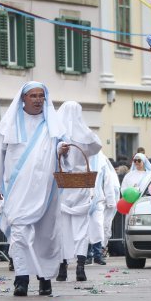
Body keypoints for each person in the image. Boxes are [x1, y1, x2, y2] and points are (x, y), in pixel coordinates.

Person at [0, 82, 68, 297]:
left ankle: (44, 279)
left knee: (45, 235)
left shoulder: (54, 124)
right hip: (18, 190)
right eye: (33, 95)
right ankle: (21, 278)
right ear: (23, 98)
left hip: (46, 190)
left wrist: (62, 150)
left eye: (41, 95)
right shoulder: (8, 124)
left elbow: (61, 149)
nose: (38, 99)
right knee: (20, 234)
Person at [54, 101, 103, 283]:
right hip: (81, 185)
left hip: (64, 186)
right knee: (81, 229)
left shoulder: (58, 136)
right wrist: (85, 131)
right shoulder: (85, 136)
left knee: (63, 229)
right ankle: (81, 266)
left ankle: (63, 267)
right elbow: (97, 145)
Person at [88, 151, 120, 265]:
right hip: (82, 200)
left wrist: (111, 200)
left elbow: (108, 181)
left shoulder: (101, 159)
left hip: (97, 200)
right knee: (85, 230)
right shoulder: (80, 156)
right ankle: (86, 256)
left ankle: (97, 254)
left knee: (97, 227)